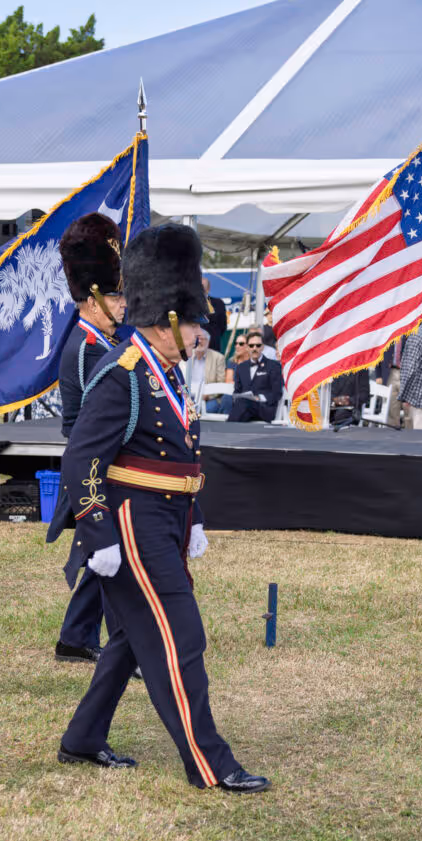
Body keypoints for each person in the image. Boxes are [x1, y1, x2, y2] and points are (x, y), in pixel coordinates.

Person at [56, 223, 269, 793]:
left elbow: (179, 454)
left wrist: (191, 517)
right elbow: (83, 460)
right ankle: (210, 764)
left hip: (164, 519)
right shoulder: (123, 373)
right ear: (169, 318)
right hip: (129, 523)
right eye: (195, 322)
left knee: (132, 641)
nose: (201, 334)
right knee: (181, 636)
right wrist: (98, 531)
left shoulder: (164, 370)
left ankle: (81, 738)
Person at [48, 214, 128, 668]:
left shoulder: (102, 341)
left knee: (105, 554)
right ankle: (120, 643)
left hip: (102, 459)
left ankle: (76, 636)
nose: (122, 303)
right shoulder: (88, 348)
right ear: (93, 298)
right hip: (96, 463)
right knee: (112, 553)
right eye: (115, 294)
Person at [227, 330, 283, 423]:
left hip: (265, 409)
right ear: (247, 347)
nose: (254, 348)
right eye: (251, 345)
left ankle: (228, 429)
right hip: (244, 408)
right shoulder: (241, 367)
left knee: (242, 404)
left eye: (258, 345)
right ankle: (231, 431)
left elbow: (277, 393)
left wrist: (259, 398)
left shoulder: (273, 366)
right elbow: (237, 390)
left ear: (263, 347)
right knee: (240, 403)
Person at [185, 327, 228, 414]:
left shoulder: (218, 358)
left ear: (208, 342)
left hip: (209, 398)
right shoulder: (187, 356)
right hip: (189, 396)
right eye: (197, 338)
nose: (199, 341)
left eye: (203, 339)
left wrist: (207, 396)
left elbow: (221, 382)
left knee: (205, 410)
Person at [202, 277, 228, 353]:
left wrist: (213, 336)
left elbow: (223, 325)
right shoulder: (190, 304)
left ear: (208, 288)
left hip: (213, 346)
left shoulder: (218, 303)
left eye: (202, 287)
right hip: (194, 347)